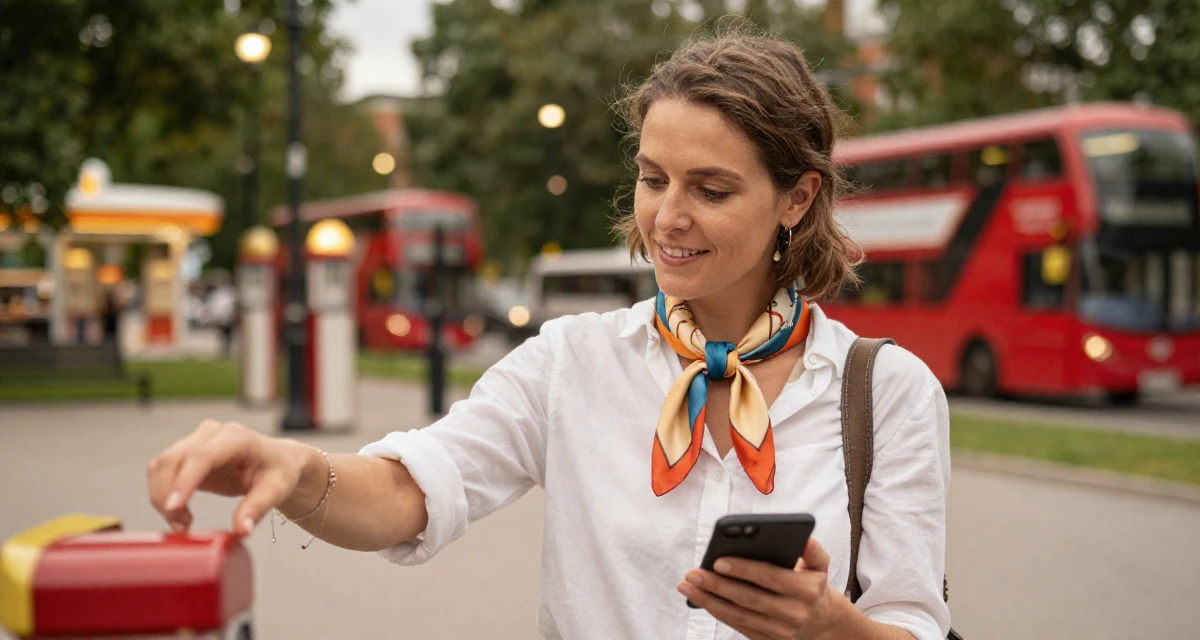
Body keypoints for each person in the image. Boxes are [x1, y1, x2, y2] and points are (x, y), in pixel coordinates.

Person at [146, 27, 951, 640]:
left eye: (711, 189)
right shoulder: (573, 361)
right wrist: (291, 467)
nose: (667, 217)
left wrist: (830, 629)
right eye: (652, 178)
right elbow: (409, 492)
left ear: (797, 199)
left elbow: (913, 623)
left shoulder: (888, 391)